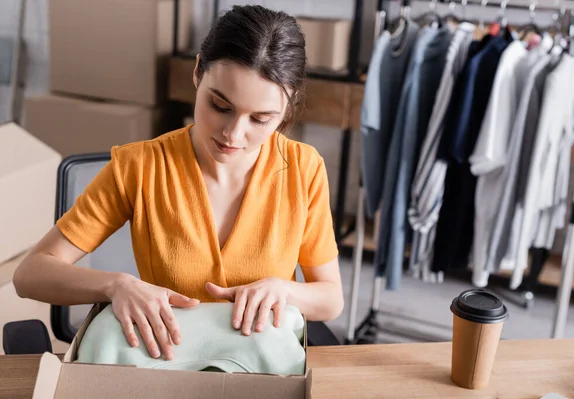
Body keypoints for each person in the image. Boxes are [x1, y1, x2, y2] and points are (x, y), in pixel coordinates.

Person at [13, 5, 343, 361]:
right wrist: (115, 285)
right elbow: (30, 274)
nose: (234, 133)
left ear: (288, 105)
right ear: (198, 72)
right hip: (163, 363)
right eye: (220, 106)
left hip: (255, 367)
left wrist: (284, 291)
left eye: (261, 119)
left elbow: (330, 300)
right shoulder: (138, 167)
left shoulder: (303, 169)